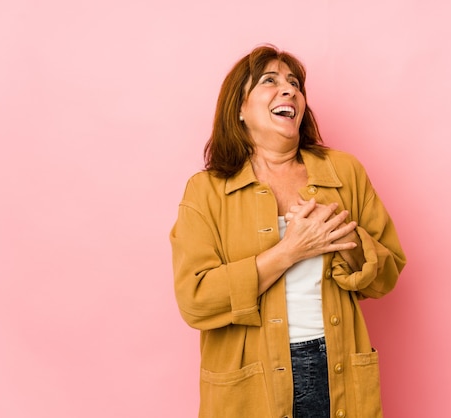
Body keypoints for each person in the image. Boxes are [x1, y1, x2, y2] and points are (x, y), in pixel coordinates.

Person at [169, 44, 406, 418]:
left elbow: (387, 274)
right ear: (240, 110)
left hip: (337, 365)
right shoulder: (206, 191)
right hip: (253, 382)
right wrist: (289, 251)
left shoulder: (344, 172)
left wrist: (345, 241)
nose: (289, 90)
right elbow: (195, 299)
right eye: (270, 81)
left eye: (294, 83)